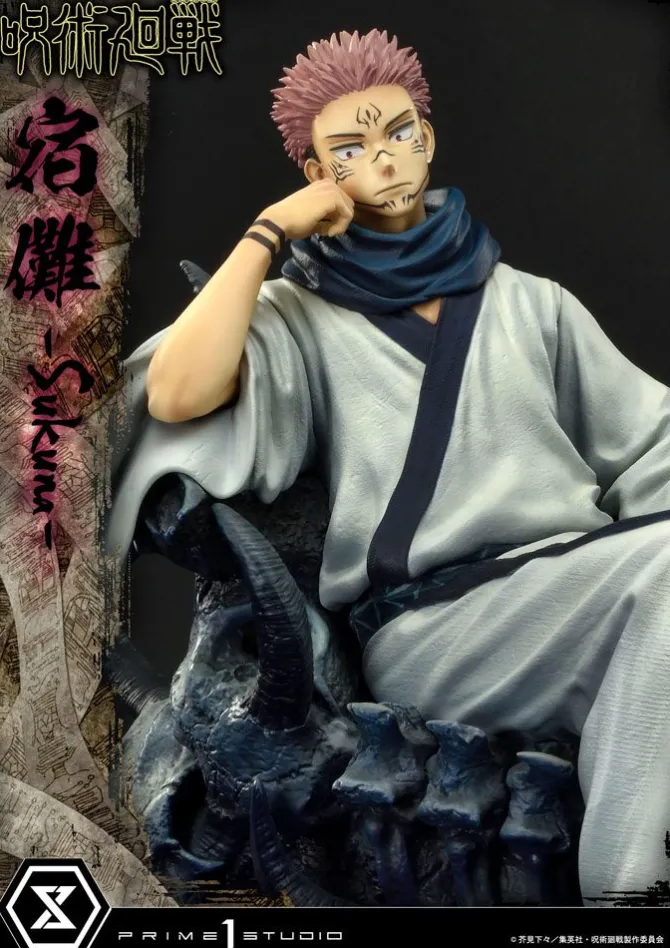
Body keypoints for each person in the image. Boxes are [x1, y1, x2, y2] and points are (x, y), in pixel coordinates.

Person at [106, 29, 670, 904]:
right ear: (315, 173)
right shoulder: (297, 318)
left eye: (401, 132)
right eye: (350, 148)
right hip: (439, 629)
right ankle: (630, 899)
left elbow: (652, 443)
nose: (385, 158)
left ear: (428, 136)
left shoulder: (533, 304)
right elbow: (178, 392)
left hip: (585, 592)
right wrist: (267, 233)